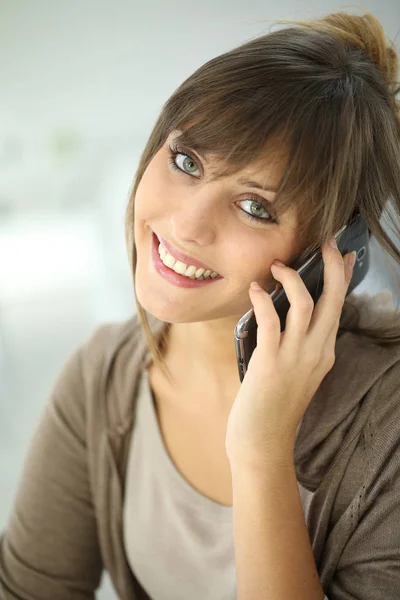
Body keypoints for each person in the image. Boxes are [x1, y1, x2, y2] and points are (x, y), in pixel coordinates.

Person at [1, 9, 400, 600]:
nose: (186, 224)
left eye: (255, 207)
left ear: (336, 253)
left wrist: (262, 452)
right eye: (186, 162)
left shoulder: (388, 425)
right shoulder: (103, 375)